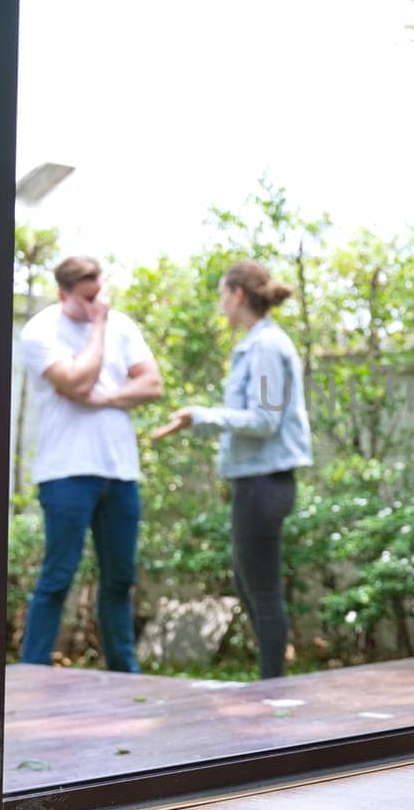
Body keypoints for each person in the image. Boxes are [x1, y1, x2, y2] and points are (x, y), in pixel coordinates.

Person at [152, 260, 312, 680]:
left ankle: (272, 689)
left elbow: (264, 419)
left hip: (265, 481)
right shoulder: (256, 344)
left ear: (238, 295)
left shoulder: (265, 347)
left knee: (262, 590)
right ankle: (271, 683)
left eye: (223, 294)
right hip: (254, 481)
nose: (220, 304)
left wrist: (201, 415)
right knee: (249, 586)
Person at [18, 256, 163, 673]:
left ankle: (124, 673)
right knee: (58, 576)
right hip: (66, 472)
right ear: (64, 294)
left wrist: (103, 398)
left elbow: (152, 383)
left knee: (119, 579)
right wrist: (97, 328)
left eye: (101, 292)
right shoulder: (41, 331)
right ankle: (33, 672)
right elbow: (76, 379)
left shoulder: (124, 325)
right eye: (88, 298)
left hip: (120, 472)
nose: (100, 303)